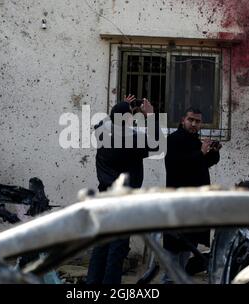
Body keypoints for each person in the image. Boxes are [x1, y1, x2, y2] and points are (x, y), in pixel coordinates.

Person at [86, 95, 159, 284]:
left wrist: (123, 108)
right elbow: (156, 144)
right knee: (117, 248)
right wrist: (150, 116)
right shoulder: (132, 140)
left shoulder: (101, 133)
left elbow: (105, 121)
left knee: (101, 245)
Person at [162, 107, 222, 283]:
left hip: (194, 205)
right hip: (179, 204)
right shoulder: (173, 140)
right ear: (183, 120)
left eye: (197, 121)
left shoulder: (195, 141)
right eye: (191, 120)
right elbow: (177, 166)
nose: (194, 124)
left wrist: (214, 151)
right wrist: (201, 152)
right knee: (174, 251)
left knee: (187, 247)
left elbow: (204, 164)